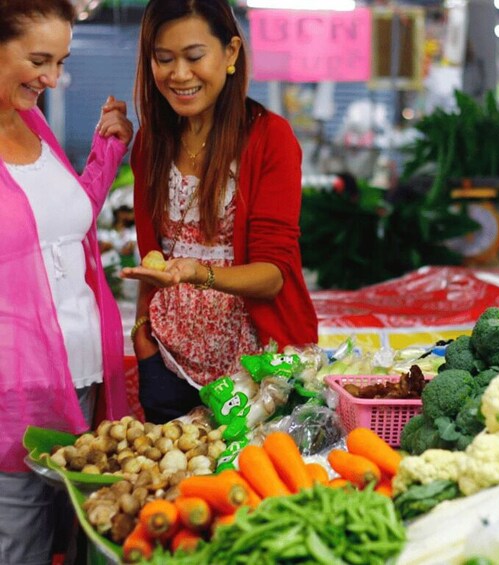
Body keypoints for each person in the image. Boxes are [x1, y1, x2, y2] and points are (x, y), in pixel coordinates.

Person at [122, 0, 318, 424]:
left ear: (230, 53)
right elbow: (149, 258)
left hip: (254, 376)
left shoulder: (270, 139)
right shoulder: (150, 144)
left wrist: (199, 274)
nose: (179, 75)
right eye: (163, 59)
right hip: (167, 363)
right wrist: (143, 336)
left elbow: (272, 276)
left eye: (194, 57)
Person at [0, 1, 134, 563]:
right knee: (23, 546)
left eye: (61, 61)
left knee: (80, 542)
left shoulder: (31, 122)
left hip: (81, 379)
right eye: (39, 60)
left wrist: (107, 151)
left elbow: (59, 225)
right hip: (14, 396)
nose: (53, 79)